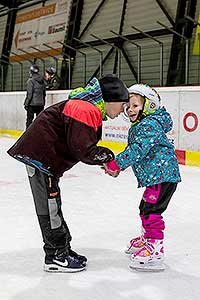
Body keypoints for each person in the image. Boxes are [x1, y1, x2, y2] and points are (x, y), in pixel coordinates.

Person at [7, 74, 129, 273]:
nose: (122, 110)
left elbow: (80, 146)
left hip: (45, 159)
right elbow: (82, 149)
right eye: (122, 105)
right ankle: (55, 255)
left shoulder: (88, 107)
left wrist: (101, 157)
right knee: (50, 207)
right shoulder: (85, 108)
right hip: (40, 158)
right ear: (111, 100)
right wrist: (107, 156)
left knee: (53, 204)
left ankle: (62, 249)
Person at [104, 83, 181, 271]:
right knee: (145, 207)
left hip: (162, 177)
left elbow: (137, 150)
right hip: (156, 177)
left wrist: (117, 164)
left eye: (135, 105)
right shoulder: (144, 124)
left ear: (149, 106)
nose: (130, 110)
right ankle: (147, 239)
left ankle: (155, 250)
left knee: (152, 211)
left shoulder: (149, 125)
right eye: (128, 106)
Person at [24, 64, 46, 129]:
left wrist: (26, 104)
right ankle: (39, 135)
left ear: (31, 72)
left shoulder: (30, 81)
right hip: (40, 104)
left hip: (32, 104)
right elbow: (44, 93)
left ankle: (28, 136)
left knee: (29, 121)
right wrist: (43, 103)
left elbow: (29, 94)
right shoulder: (42, 81)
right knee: (39, 121)